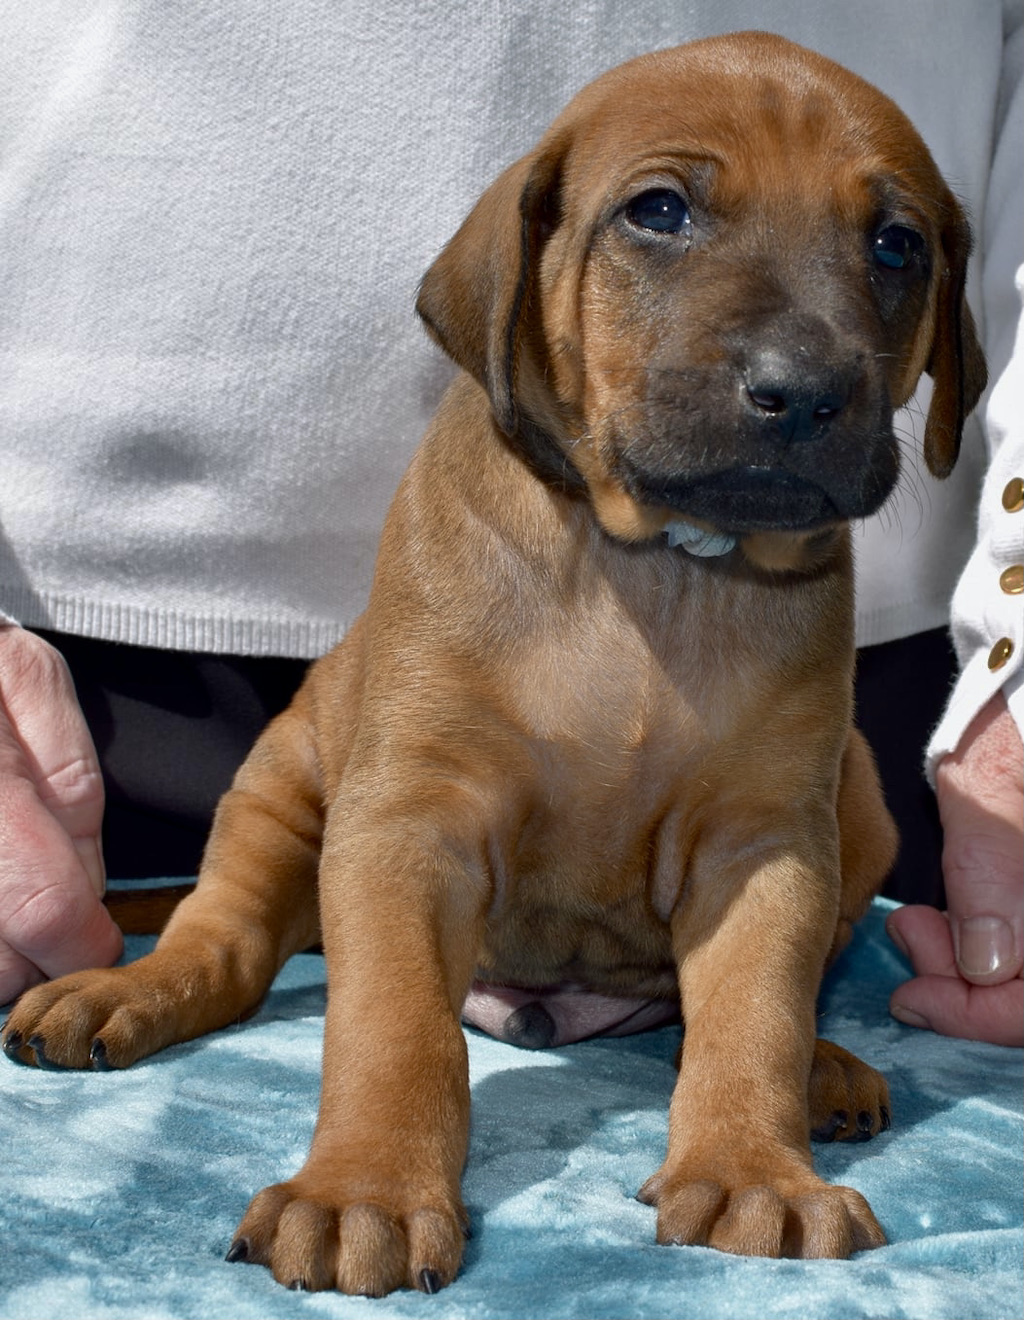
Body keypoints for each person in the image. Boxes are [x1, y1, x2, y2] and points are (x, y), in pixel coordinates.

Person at [1, 1, 1020, 1046]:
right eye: (661, 213)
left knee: (816, 830)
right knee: (285, 820)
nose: (797, 371)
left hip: (870, 651)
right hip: (111, 653)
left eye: (891, 247)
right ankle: (210, 954)